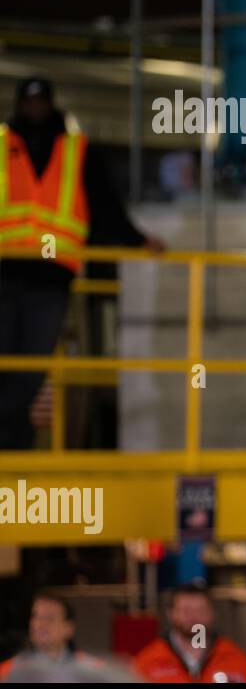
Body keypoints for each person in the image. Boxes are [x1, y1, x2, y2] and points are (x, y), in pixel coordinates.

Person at [0, 77, 165, 450]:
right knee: (6, 356)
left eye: (41, 101)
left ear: (50, 103)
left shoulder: (76, 150)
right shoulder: (2, 144)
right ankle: (12, 437)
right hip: (6, 269)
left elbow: (103, 204)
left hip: (51, 274)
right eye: (30, 102)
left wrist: (138, 241)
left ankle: (12, 438)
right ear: (19, 105)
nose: (35, 109)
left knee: (32, 363)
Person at [132, 584, 246, 683]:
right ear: (171, 614)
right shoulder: (148, 662)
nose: (194, 617)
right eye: (186, 611)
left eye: (200, 610)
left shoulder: (236, 659)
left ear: (212, 613)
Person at [0, 593, 99, 681]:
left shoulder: (92, 672)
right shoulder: (10, 671)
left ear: (68, 628)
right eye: (36, 616)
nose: (40, 624)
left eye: (50, 618)